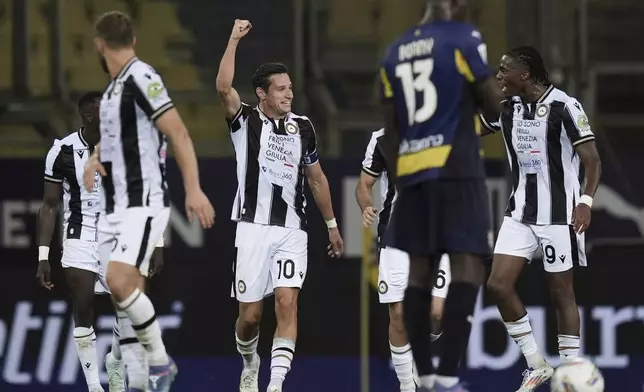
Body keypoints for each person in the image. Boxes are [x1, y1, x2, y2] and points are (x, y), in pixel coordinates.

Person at [83, 11, 215, 392]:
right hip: (114, 207)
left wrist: (193, 189)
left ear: (99, 45)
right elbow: (116, 140)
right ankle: (142, 384)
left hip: (143, 201)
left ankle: (160, 362)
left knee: (118, 281)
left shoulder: (142, 77)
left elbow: (178, 132)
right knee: (125, 302)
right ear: (133, 39)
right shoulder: (112, 91)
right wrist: (95, 158)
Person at [378, 0, 505, 390]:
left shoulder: (394, 51)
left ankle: (424, 376)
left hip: (414, 172)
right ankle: (447, 376)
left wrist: (405, 176)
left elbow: (391, 131)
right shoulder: (464, 39)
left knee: (420, 269)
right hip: (456, 166)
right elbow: (491, 105)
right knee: (467, 266)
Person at [216, 19, 345, 392]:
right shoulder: (244, 121)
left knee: (287, 303)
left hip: (292, 229)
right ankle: (249, 362)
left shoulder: (303, 127)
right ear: (261, 93)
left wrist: (332, 225)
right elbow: (223, 87)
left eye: (290, 88)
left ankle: (275, 385)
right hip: (252, 228)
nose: (289, 95)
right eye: (281, 89)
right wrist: (233, 40)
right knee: (250, 318)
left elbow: (317, 178)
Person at [482, 46, 602, 392]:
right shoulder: (506, 108)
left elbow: (592, 160)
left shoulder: (565, 107)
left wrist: (586, 201)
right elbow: (471, 129)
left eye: (505, 70)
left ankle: (572, 374)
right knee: (497, 285)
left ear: (525, 74)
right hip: (520, 213)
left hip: (559, 215)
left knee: (561, 292)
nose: (499, 76)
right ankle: (537, 364)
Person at [38, 92, 126, 392]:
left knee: (126, 304)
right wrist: (43, 256)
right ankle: (93, 385)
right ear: (89, 116)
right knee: (83, 299)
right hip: (79, 231)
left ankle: (115, 361)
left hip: (116, 232)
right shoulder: (62, 151)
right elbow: (49, 205)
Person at [355, 128, 452, 391]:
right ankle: (407, 385)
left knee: (435, 313)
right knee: (397, 314)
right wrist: (366, 206)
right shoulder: (382, 138)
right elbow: (364, 184)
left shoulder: (444, 129)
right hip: (395, 235)